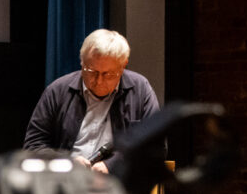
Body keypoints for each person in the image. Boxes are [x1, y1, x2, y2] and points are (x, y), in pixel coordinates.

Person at [23, 29, 160, 174]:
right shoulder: (57, 90)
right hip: (66, 181)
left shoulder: (140, 89)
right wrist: (67, 161)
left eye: (108, 74)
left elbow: (155, 145)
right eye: (92, 71)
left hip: (118, 185)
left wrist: (112, 165)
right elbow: (33, 145)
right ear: (82, 62)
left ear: (123, 65)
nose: (99, 81)